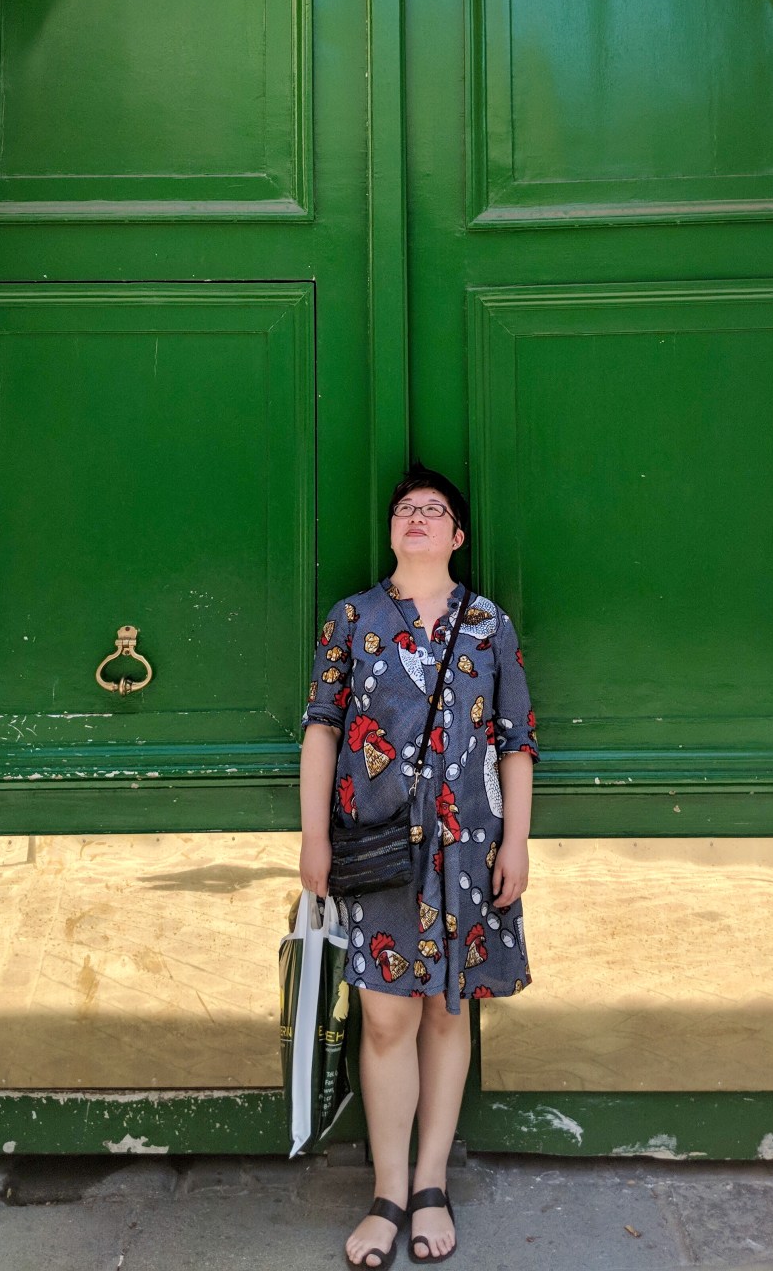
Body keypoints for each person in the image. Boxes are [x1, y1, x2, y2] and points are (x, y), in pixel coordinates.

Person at [299, 464, 538, 1267]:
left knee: (448, 1010)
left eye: (434, 511)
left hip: (470, 852)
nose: (418, 518)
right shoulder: (352, 620)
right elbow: (322, 730)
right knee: (387, 1016)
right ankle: (388, 1192)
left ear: (457, 535)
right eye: (406, 509)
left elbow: (516, 741)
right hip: (380, 856)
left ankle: (432, 1184)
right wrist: (314, 840)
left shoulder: (488, 625)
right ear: (392, 530)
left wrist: (517, 842)